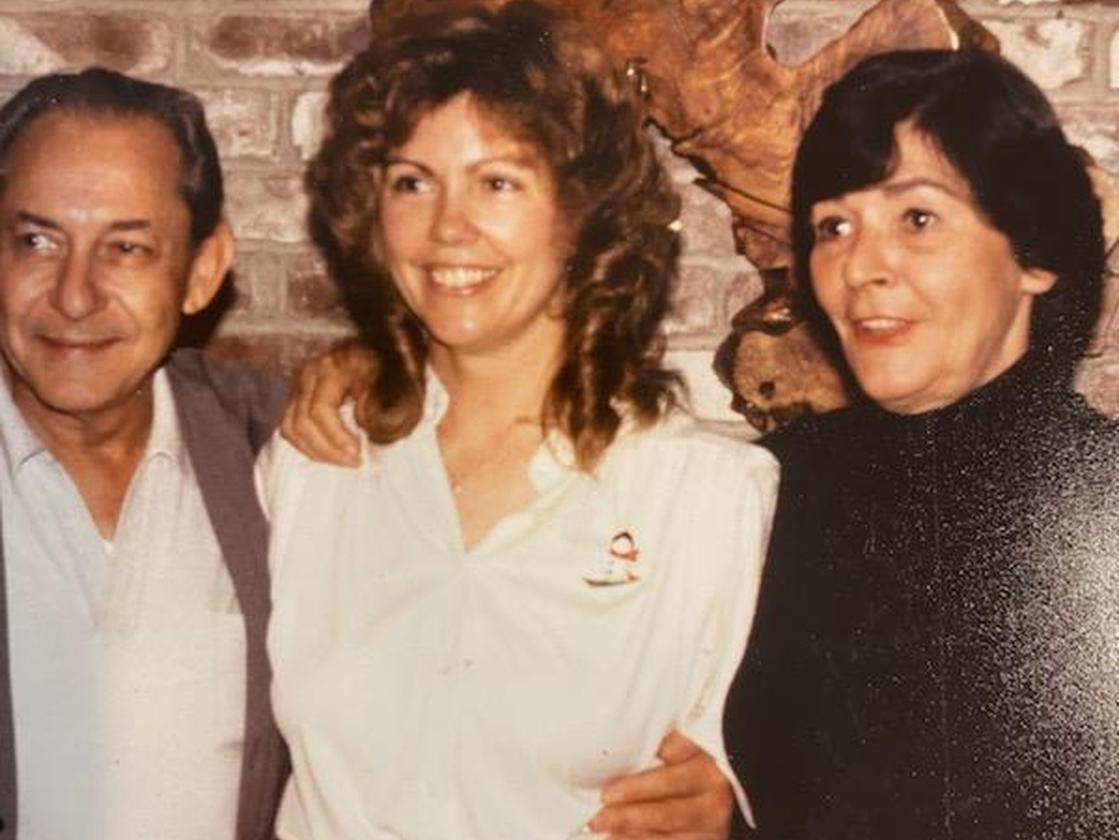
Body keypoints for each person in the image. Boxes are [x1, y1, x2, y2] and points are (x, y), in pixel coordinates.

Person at [257, 2, 778, 838]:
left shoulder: (706, 497)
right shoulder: (311, 464)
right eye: (411, 182)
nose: (447, 228)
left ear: (582, 213)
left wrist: (728, 815)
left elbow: (767, 781)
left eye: (497, 182)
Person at [724, 49, 1119, 839]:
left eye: (916, 219)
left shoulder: (1103, 505)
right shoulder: (758, 494)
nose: (859, 268)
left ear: (1032, 255)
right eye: (833, 227)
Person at [0, 69, 290, 839]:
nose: (74, 296)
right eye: (37, 241)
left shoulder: (281, 455)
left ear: (201, 271)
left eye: (126, 248)